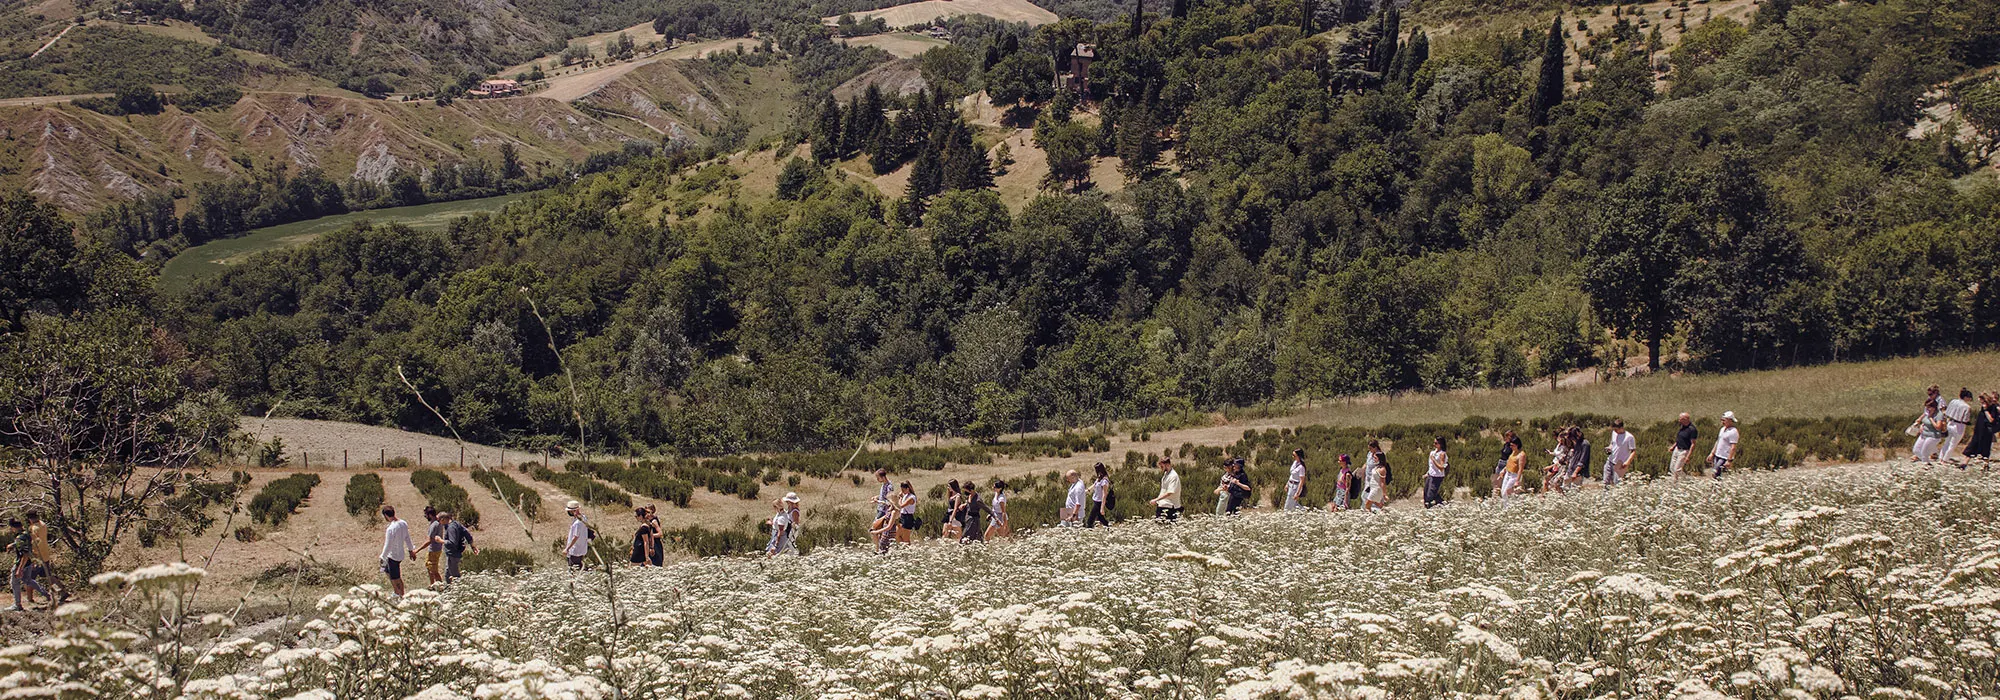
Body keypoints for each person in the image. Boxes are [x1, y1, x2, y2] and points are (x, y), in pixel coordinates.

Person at [6, 519, 47, 612]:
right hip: (29, 563)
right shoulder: (26, 534)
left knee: (14, 583)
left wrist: (19, 569)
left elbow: (24, 554)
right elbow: (27, 546)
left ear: (13, 528)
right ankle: (47, 595)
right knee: (28, 580)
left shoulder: (19, 538)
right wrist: (12, 545)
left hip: (21, 563)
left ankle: (17, 605)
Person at [380, 505, 416, 597]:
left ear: (385, 515)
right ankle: (396, 591)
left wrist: (382, 557)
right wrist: (411, 549)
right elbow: (407, 537)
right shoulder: (403, 523)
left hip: (393, 556)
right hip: (400, 554)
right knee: (388, 571)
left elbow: (388, 545)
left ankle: (400, 594)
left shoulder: (390, 529)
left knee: (396, 577)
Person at [437, 511, 476, 582]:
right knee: (448, 575)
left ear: (443, 519)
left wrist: (440, 541)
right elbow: (467, 533)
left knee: (455, 577)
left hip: (453, 555)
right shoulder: (456, 524)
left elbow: (452, 543)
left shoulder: (451, 528)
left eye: (438, 520)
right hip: (454, 554)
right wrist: (472, 546)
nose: (439, 523)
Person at [23, 512, 51, 606]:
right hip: (45, 554)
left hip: (37, 556)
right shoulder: (43, 524)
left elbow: (34, 543)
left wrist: (32, 556)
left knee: (29, 578)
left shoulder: (32, 528)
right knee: (48, 575)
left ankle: (30, 599)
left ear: (29, 519)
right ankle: (62, 591)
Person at [1944, 388, 1975, 464]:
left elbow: (1947, 412)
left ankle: (1941, 457)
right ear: (1966, 397)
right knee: (1953, 444)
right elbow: (1965, 419)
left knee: (1947, 441)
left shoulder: (1953, 401)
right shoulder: (1966, 407)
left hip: (1950, 422)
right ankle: (1945, 459)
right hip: (1959, 425)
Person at [1603, 419, 1637, 487]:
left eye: (1616, 429)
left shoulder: (1629, 437)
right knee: (1605, 482)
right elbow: (1612, 443)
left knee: (1617, 484)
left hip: (1620, 464)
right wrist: (1609, 448)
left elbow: (1633, 451)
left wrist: (1627, 462)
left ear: (1621, 428)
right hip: (1610, 460)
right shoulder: (1614, 433)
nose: (1615, 431)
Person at [1968, 393, 1999, 463]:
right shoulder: (1986, 407)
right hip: (1981, 431)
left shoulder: (1993, 408)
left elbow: (1991, 419)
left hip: (1988, 430)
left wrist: (1985, 410)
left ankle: (1984, 463)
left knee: (1987, 447)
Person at [1150, 457, 1182, 521]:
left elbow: (1169, 492)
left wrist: (1156, 499)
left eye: (1162, 466)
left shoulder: (1173, 476)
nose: (1160, 468)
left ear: (1167, 465)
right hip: (1162, 505)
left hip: (1170, 506)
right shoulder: (1166, 474)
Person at [871, 469, 895, 554]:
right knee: (877, 529)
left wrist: (879, 502)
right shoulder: (883, 484)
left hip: (884, 511)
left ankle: (878, 549)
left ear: (883, 477)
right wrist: (877, 497)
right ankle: (879, 548)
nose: (877, 479)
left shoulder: (889, 486)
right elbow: (883, 496)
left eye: (878, 477)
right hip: (880, 509)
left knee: (874, 528)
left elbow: (890, 501)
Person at [1362, 441, 1389, 511]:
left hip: (1375, 482)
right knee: (1366, 496)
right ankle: (1376, 509)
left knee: (1367, 498)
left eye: (1370, 448)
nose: (1369, 450)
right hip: (1369, 480)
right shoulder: (1370, 454)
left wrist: (1384, 494)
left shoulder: (1380, 464)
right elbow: (1367, 463)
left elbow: (1382, 482)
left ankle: (1372, 510)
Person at [420, 505, 444, 585]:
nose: (426, 517)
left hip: (434, 550)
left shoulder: (434, 525)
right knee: (429, 568)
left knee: (434, 571)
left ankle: (441, 586)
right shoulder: (438, 522)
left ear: (430, 515)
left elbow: (429, 541)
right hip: (436, 549)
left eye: (426, 515)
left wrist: (417, 550)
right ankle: (432, 585)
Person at [1712, 411, 1740, 478]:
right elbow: (1718, 441)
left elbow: (1733, 447)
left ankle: (1717, 486)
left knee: (1716, 472)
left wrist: (1729, 460)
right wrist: (1712, 453)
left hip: (1724, 457)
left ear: (1730, 420)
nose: (1722, 422)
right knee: (1716, 473)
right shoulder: (1722, 429)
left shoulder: (1733, 432)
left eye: (1724, 420)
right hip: (1717, 454)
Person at [1669, 413, 1697, 478]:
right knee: (1672, 468)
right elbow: (1679, 438)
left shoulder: (1692, 429)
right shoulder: (1682, 427)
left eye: (1680, 419)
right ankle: (1675, 482)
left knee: (1677, 469)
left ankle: (1686, 480)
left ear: (1686, 419)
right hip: (1677, 449)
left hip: (1684, 451)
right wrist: (1673, 446)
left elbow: (1693, 443)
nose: (1679, 420)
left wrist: (1688, 456)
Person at [564, 501, 591, 568]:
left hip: (575, 551)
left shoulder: (577, 523)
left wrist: (567, 549)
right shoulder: (583, 517)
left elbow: (576, 536)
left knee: (574, 570)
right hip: (582, 549)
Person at [1085, 463, 1113, 528]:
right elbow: (1094, 484)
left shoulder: (1104, 481)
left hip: (1099, 502)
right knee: (1101, 518)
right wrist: (1088, 490)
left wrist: (1102, 508)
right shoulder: (1099, 477)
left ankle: (1089, 530)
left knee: (1090, 520)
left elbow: (1104, 494)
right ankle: (1108, 528)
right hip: (1096, 499)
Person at [1423, 438, 1448, 508]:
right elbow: (1431, 466)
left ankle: (1434, 507)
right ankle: (1441, 504)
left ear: (1440, 444)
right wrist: (1427, 473)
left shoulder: (1442, 454)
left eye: (1436, 443)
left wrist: (1433, 460)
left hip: (1437, 476)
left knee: (1430, 495)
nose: (1434, 444)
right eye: (1434, 443)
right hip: (1431, 475)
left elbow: (1441, 467)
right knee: (1426, 493)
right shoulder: (1433, 453)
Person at [1501, 435, 1526, 502]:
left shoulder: (1521, 454)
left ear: (1517, 445)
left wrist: (1517, 481)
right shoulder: (1513, 452)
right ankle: (1506, 507)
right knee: (1502, 491)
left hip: (1514, 475)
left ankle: (1508, 507)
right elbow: (1509, 462)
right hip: (1508, 473)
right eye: (1510, 445)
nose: (1511, 447)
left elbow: (1520, 469)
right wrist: (1504, 470)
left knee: (1506, 493)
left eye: (1512, 445)